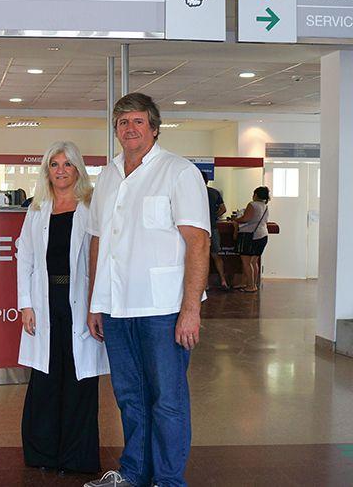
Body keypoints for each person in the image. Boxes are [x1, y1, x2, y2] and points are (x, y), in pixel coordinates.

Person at [85, 93, 210, 487]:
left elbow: (198, 242)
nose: (130, 128)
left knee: (167, 399)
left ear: (154, 128)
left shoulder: (178, 171)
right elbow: (97, 240)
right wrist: (95, 303)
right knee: (129, 396)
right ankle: (134, 473)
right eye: (123, 122)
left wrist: (191, 309)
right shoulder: (108, 175)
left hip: (162, 308)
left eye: (138, 121)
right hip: (116, 307)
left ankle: (168, 480)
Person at [16, 141, 109, 474]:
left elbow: (101, 257)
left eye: (67, 164)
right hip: (45, 301)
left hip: (80, 302)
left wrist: (97, 304)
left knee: (78, 380)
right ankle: (42, 453)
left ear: (78, 169)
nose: (60, 171)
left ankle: (76, 457)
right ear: (47, 171)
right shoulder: (37, 208)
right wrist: (26, 304)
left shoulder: (91, 206)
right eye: (54, 164)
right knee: (45, 378)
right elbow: (25, 258)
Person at [234, 186, 270, 293]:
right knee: (253, 262)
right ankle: (252, 284)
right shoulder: (265, 206)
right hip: (262, 235)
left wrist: (236, 220)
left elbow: (246, 218)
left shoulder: (253, 204)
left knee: (246, 262)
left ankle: (250, 286)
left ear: (256, 194)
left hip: (250, 236)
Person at [203, 171, 229, 289]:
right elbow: (223, 209)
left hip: (200, 229)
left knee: (202, 257)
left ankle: (205, 284)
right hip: (213, 227)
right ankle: (223, 280)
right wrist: (214, 216)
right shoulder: (214, 192)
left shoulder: (194, 192)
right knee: (216, 255)